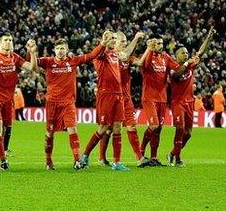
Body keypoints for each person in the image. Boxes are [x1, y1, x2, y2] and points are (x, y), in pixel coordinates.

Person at [35, 35, 107, 170]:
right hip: (52, 103)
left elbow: (91, 55)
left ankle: (76, 161)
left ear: (67, 49)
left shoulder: (73, 61)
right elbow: (32, 64)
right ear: (54, 50)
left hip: (68, 102)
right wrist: (32, 51)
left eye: (62, 48)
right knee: (50, 133)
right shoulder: (47, 61)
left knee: (72, 129)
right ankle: (48, 161)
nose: (60, 50)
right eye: (57, 48)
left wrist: (102, 43)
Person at [79, 31, 142, 171]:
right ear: (105, 40)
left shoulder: (115, 54)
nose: (113, 41)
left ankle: (117, 162)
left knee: (118, 127)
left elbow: (126, 54)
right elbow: (93, 54)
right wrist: (103, 42)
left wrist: (136, 39)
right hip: (106, 95)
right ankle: (85, 156)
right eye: (111, 38)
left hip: (119, 94)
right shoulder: (101, 54)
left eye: (115, 38)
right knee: (102, 128)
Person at [0, 33, 37, 171]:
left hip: (8, 98)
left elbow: (32, 67)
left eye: (10, 40)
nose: (9, 42)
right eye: (6, 40)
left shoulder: (15, 57)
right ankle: (3, 161)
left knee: (5, 130)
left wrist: (32, 52)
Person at [96, 31, 149, 167]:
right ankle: (101, 158)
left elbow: (139, 62)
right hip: (111, 97)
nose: (125, 44)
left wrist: (148, 49)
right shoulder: (110, 56)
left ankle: (139, 158)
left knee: (131, 126)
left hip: (126, 99)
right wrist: (136, 39)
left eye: (126, 41)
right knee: (107, 129)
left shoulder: (126, 58)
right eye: (123, 41)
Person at [138, 35, 192, 166]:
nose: (160, 45)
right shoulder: (147, 55)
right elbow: (143, 65)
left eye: (161, 43)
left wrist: (187, 63)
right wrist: (149, 49)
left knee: (159, 128)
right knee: (154, 125)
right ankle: (141, 150)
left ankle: (154, 158)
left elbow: (178, 70)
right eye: (157, 43)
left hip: (162, 99)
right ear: (152, 44)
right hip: (149, 97)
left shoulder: (166, 58)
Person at [167, 27, 213, 166]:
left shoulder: (190, 65)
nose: (186, 55)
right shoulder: (173, 68)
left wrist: (209, 37)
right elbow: (178, 75)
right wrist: (187, 63)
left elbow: (200, 52)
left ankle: (172, 153)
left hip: (189, 103)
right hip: (177, 103)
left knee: (188, 134)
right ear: (176, 55)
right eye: (183, 53)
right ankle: (178, 159)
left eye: (187, 53)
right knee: (180, 128)